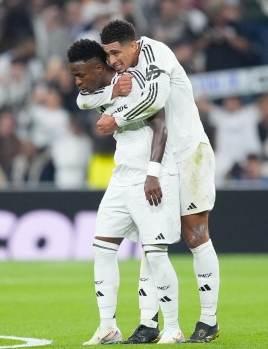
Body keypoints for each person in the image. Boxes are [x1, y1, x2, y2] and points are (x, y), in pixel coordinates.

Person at [75, 19, 220, 344]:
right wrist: (111, 91)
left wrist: (117, 116)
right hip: (154, 160)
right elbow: (85, 98)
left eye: (116, 53)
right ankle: (148, 322)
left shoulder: (158, 57)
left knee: (194, 235)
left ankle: (208, 321)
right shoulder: (123, 73)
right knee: (151, 241)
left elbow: (155, 101)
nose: (112, 60)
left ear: (133, 45)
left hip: (187, 152)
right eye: (107, 55)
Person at [67, 39, 185, 345]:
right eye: (74, 76)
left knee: (157, 254)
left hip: (150, 177)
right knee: (102, 249)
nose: (77, 81)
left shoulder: (134, 82)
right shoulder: (97, 91)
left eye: (81, 75)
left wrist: (153, 173)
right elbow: (83, 102)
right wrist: (108, 93)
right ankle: (108, 326)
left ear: (97, 67)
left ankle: (172, 327)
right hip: (121, 178)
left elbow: (161, 125)